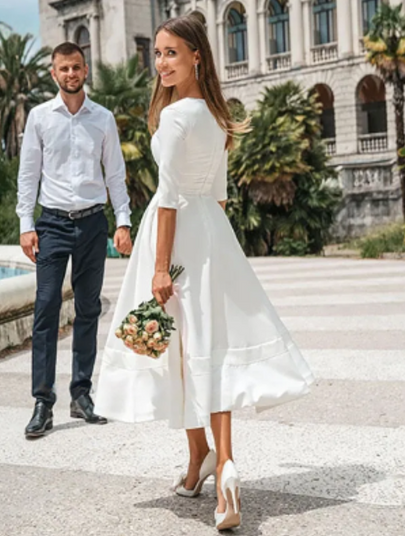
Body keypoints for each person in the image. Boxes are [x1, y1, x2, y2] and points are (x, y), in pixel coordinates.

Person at [94, 16, 313, 531]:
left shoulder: (173, 119)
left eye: (173, 52)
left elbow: (167, 199)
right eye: (159, 53)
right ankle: (214, 463)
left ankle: (211, 466)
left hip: (173, 238)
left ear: (198, 56)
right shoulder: (217, 115)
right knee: (204, 350)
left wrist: (158, 269)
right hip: (212, 235)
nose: (162, 62)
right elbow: (217, 192)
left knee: (178, 351)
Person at [16, 42, 133, 439]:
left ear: (86, 71)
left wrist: (123, 221)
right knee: (46, 309)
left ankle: (81, 394)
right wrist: (25, 223)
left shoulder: (102, 118)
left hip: (92, 224)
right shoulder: (39, 118)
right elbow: (28, 174)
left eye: (76, 68)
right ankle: (42, 402)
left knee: (87, 309)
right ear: (54, 73)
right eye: (63, 69)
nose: (70, 74)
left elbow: (115, 174)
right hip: (51, 224)